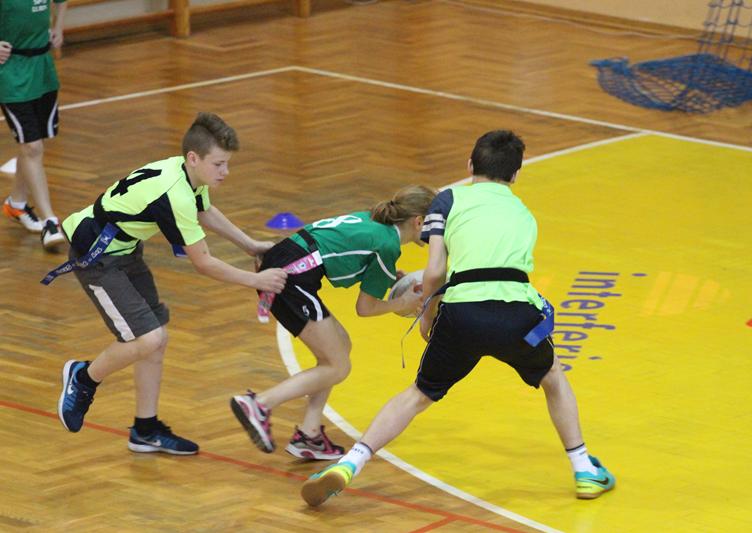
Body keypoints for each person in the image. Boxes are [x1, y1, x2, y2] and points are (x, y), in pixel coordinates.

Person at [301, 130, 615, 505]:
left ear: (469, 165)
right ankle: (584, 470)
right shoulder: (524, 214)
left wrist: (427, 316)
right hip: (516, 312)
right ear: (516, 174)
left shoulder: (447, 200)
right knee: (553, 378)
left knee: (418, 395)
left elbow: (435, 271)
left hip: (462, 312)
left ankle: (350, 463)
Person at [54, 112, 287, 455]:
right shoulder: (174, 194)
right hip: (96, 255)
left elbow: (204, 211)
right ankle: (83, 376)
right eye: (219, 164)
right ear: (194, 158)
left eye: (227, 163)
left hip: (124, 249)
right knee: (147, 338)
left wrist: (250, 245)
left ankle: (145, 429)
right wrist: (256, 279)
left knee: (157, 338)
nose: (225, 172)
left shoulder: (185, 174)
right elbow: (203, 263)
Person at [230, 184, 437, 460]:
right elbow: (365, 308)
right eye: (436, 224)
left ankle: (309, 435)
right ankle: (259, 405)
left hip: (286, 262)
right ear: (419, 221)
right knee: (338, 366)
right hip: (288, 279)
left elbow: (344, 253)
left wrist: (387, 277)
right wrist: (403, 303)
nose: (438, 233)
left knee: (341, 345)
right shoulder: (388, 245)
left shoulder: (374, 221)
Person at [0, 0, 68, 250]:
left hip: (42, 69)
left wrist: (58, 27)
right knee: (32, 147)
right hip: (11, 74)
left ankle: (16, 204)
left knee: (31, 144)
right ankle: (50, 221)